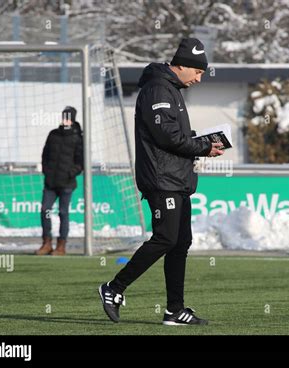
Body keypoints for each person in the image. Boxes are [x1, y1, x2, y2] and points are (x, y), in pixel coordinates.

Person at [99, 38, 224, 326]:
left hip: (177, 179)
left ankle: (174, 310)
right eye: (198, 72)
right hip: (161, 179)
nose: (199, 78)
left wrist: (203, 142)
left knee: (180, 242)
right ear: (182, 64)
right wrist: (203, 146)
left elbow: (174, 135)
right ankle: (113, 288)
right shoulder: (158, 88)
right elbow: (166, 136)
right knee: (166, 238)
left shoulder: (172, 90)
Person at [35, 106, 83, 256]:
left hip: (67, 184)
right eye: (64, 116)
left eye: (68, 117)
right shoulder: (53, 134)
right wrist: (46, 171)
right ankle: (46, 243)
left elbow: (81, 162)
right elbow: (45, 155)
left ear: (73, 119)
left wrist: (70, 173)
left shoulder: (78, 137)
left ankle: (61, 246)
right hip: (50, 183)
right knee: (45, 210)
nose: (65, 119)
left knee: (63, 213)